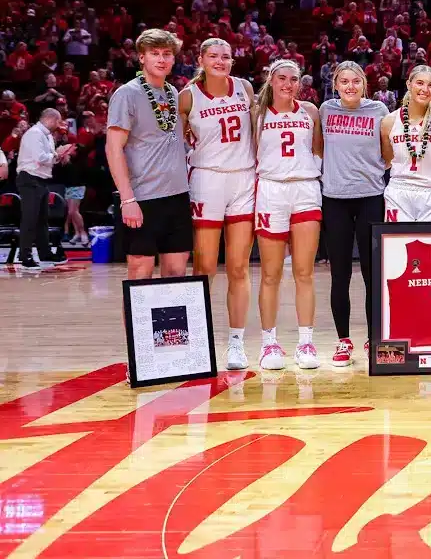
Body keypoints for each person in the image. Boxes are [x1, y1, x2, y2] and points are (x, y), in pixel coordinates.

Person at [179, 38, 257, 371]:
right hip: (207, 181)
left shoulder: (245, 88)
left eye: (226, 56)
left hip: (243, 179)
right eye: (213, 56)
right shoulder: (187, 96)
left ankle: (236, 343)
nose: (220, 61)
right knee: (205, 266)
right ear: (201, 59)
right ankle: (198, 337)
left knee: (239, 267)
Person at [254, 59, 325, 370]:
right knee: (270, 274)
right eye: (281, 78)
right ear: (270, 80)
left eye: (293, 79)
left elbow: (318, 151)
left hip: (305, 190)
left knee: (304, 273)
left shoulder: (310, 111)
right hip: (271, 190)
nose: (287, 84)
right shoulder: (255, 113)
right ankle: (269, 344)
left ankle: (306, 342)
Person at [106, 29, 191, 281]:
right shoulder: (127, 94)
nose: (162, 59)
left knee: (176, 272)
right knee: (140, 272)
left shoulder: (173, 93)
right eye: (154, 53)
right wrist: (127, 200)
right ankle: (138, 324)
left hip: (177, 196)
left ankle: (172, 324)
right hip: (142, 197)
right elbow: (113, 148)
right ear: (141, 58)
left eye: (167, 54)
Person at [320, 61, 389, 368]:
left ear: (365, 85)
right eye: (344, 81)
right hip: (335, 199)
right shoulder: (325, 110)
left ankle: (373, 337)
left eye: (356, 81)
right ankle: (343, 340)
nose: (350, 86)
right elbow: (320, 149)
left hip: (371, 198)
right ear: (336, 85)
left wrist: (370, 171)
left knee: (372, 273)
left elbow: (388, 153)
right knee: (340, 275)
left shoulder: (379, 111)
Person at [382, 64, 431, 221]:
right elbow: (388, 161)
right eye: (420, 83)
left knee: (430, 245)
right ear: (409, 84)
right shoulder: (389, 121)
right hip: (398, 192)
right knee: (396, 245)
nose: (425, 89)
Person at [15, 108, 74, 272]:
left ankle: (45, 254)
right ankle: (25, 256)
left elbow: (49, 158)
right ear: (50, 119)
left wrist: (60, 154)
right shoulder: (34, 134)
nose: (59, 124)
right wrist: (58, 154)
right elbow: (40, 158)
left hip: (41, 180)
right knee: (30, 219)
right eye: (58, 121)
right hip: (29, 179)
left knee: (42, 219)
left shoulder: (47, 135)